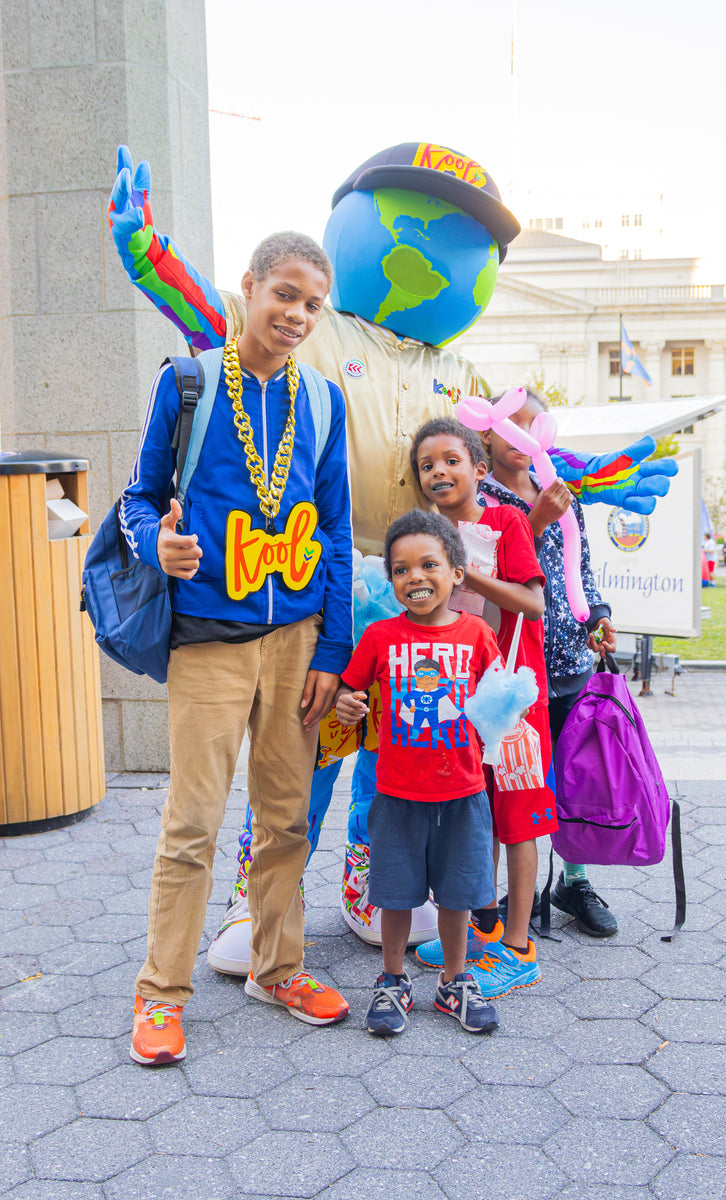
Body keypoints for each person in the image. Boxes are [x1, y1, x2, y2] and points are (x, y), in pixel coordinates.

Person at [107, 143, 679, 962]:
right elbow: (213, 313)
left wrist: (597, 475)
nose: (433, 254)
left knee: (397, 749)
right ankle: (257, 901)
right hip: (321, 580)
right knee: (308, 746)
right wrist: (148, 253)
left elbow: (521, 456)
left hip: (422, 595)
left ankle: (376, 883)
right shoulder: (320, 328)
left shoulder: (463, 372)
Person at [121, 232, 353, 1066]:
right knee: (194, 821)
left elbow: (336, 531)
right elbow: (138, 499)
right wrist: (158, 545)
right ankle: (160, 993)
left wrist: (334, 649)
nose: (297, 315)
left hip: (297, 642)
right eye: (284, 294)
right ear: (249, 287)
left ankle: (277, 968)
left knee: (286, 818)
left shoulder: (322, 400)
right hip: (210, 641)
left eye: (313, 304)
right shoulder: (187, 383)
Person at [336, 509, 501, 1036]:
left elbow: (499, 696)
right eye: (401, 569)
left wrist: (509, 712)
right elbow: (349, 688)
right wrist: (347, 704)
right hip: (397, 793)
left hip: (462, 791)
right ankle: (392, 979)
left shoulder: (477, 634)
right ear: (391, 579)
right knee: (394, 893)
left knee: (457, 893)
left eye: (429, 564)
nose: (415, 577)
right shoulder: (380, 637)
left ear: (457, 573)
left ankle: (454, 981)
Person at [409, 417, 553, 1000]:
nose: (439, 471)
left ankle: (518, 947)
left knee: (517, 817)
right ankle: (483, 924)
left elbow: (533, 603)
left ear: (480, 468)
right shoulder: (425, 535)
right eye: (427, 465)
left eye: (451, 460)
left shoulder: (506, 522)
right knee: (476, 811)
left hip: (513, 695)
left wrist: (465, 572)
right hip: (459, 696)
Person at [476, 389, 619, 937]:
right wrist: (533, 522)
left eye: (533, 424)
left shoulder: (561, 494)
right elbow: (487, 574)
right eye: (511, 424)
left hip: (571, 660)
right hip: (512, 667)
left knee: (574, 777)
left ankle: (573, 881)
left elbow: (581, 572)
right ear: (488, 431)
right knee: (510, 782)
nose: (523, 435)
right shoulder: (479, 497)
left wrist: (598, 616)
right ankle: (506, 896)